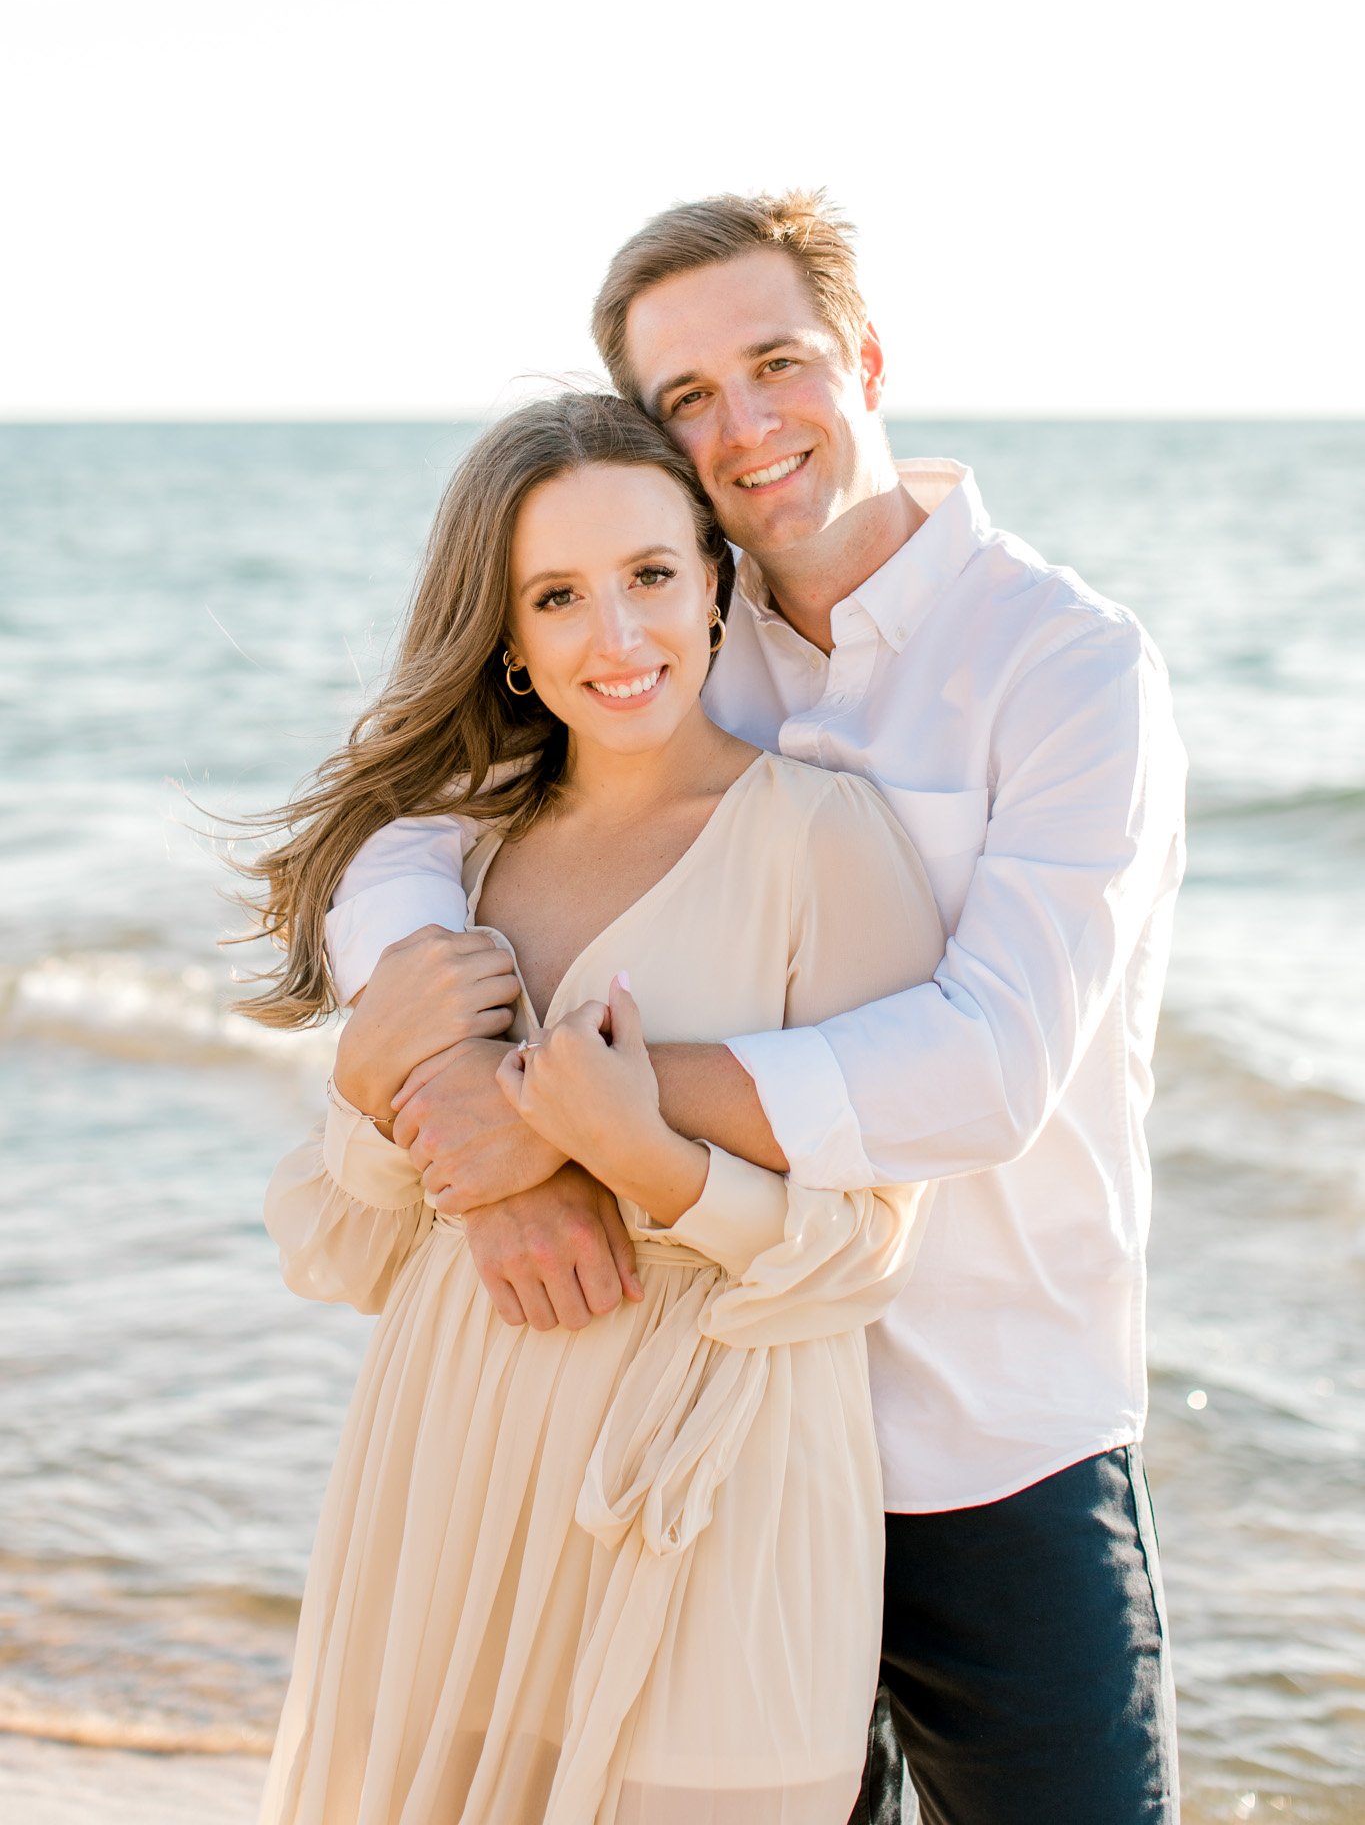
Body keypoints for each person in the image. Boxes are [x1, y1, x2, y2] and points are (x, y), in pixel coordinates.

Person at [332, 193, 1189, 1823]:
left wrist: (567, 1102)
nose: (744, 426)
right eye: (686, 399)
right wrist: (455, 1062)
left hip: (981, 1436)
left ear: (863, 358)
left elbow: (988, 1068)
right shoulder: (672, 626)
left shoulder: (1062, 662)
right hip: (684, 1413)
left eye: (776, 363)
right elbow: (417, 837)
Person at [244, 391, 945, 1823]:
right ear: (504, 637)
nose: (615, 638)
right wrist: (447, 1152)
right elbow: (339, 1245)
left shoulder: (828, 842)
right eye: (557, 597)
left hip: (718, 1486)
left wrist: (644, 1160)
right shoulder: (461, 858)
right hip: (455, 1454)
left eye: (647, 579)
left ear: (715, 580)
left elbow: (872, 1246)